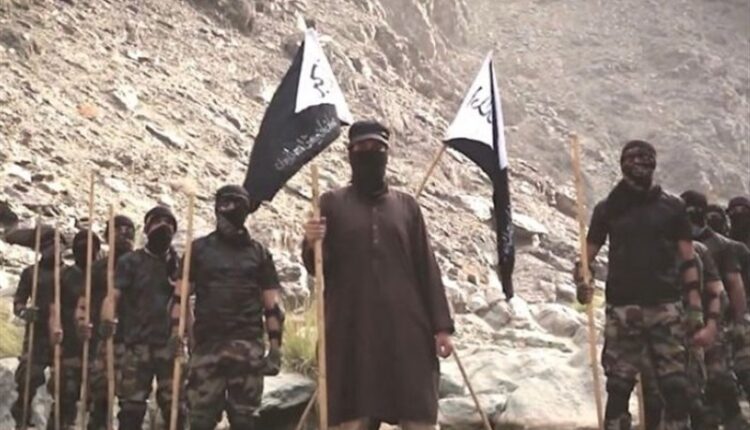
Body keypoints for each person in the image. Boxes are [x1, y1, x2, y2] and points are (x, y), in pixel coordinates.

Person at [302, 120, 455, 430]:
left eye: (377, 148)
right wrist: (311, 241)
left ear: (387, 153)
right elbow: (317, 266)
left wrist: (442, 328)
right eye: (361, 147)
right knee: (352, 414)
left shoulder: (407, 207)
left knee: (417, 414)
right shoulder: (331, 203)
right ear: (350, 153)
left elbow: (426, 267)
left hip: (406, 332)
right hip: (350, 328)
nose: (369, 153)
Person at [574, 140, 699, 430]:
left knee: (675, 385)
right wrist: (582, 281)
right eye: (632, 159)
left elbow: (688, 259)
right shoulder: (608, 209)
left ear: (654, 164)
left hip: (665, 307)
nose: (639, 165)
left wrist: (694, 308)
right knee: (619, 385)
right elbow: (586, 256)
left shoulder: (673, 207)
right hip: (623, 309)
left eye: (645, 159)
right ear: (622, 165)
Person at [186, 185, 284, 430]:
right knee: (201, 419)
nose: (226, 210)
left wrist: (275, 349)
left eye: (233, 204)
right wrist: (182, 337)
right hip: (208, 346)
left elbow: (272, 306)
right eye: (223, 204)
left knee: (244, 420)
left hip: (245, 349)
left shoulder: (259, 253)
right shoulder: (198, 250)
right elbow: (180, 297)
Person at [100, 206, 185, 429]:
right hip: (137, 345)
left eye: (169, 224)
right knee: (132, 408)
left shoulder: (178, 265)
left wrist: (189, 338)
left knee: (176, 408)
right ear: (147, 229)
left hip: (169, 345)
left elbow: (184, 303)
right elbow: (113, 296)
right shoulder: (130, 261)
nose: (164, 227)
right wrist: (107, 321)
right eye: (158, 222)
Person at [682, 190, 750, 425]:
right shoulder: (679, 244)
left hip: (719, 320)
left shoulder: (723, 246)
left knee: (720, 377)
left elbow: (735, 286)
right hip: (689, 321)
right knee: (695, 383)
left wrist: (739, 322)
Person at [640, 240, 723, 430]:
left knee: (689, 398)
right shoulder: (642, 244)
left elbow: (717, 292)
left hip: (688, 335)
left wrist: (710, 327)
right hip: (653, 335)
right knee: (654, 400)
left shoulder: (697, 250)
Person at [77, 215, 136, 430]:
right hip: (103, 341)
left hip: (134, 341)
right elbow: (83, 301)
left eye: (129, 231)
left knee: (131, 402)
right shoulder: (98, 268)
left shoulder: (143, 264)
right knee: (100, 396)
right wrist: (82, 321)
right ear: (107, 235)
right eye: (118, 230)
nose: (124, 235)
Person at [48, 230, 101, 429]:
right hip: (69, 344)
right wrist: (55, 334)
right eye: (81, 245)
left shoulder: (105, 275)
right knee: (65, 397)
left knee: (96, 400)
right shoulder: (64, 276)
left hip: (97, 345)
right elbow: (54, 309)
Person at [10, 227, 61, 429]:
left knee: (63, 386)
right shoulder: (31, 273)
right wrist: (24, 311)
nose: (53, 248)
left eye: (56, 242)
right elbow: (18, 302)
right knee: (27, 380)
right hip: (37, 335)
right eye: (47, 244)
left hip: (62, 336)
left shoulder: (70, 273)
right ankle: (21, 422)